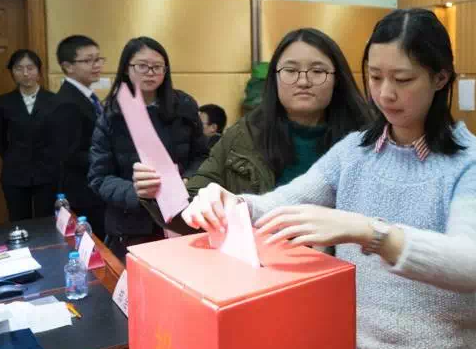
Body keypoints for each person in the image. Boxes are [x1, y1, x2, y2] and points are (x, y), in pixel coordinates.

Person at [182, 9, 476, 349]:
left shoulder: (470, 160)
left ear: (440, 78)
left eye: (403, 79)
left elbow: (471, 264)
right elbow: (282, 203)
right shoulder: (354, 151)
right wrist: (232, 203)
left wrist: (370, 232)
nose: (385, 94)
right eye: (375, 77)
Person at [134, 29, 370, 237]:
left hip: (346, 268)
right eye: (290, 70)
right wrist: (160, 193)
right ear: (274, 78)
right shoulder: (243, 135)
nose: (303, 81)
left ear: (337, 79)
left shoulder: (367, 140)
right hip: (260, 266)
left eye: (317, 71)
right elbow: (192, 208)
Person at [88, 37, 209, 260]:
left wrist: (189, 180)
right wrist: (135, 191)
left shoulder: (184, 106)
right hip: (131, 226)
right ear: (127, 69)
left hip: (183, 216)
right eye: (142, 66)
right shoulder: (112, 114)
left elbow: (203, 156)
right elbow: (99, 178)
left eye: (157, 67)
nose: (150, 73)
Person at [0, 49, 60, 221]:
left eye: (30, 68)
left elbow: (60, 139)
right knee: (19, 221)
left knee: (46, 222)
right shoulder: (4, 102)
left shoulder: (54, 101)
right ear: (12, 72)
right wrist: (15, 157)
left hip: (48, 173)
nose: (25, 73)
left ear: (39, 71)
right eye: (19, 68)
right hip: (15, 173)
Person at [52, 35, 108, 239]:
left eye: (98, 59)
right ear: (68, 66)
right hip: (83, 190)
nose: (96, 65)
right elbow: (71, 154)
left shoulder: (87, 97)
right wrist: (109, 159)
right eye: (88, 60)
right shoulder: (67, 102)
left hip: (93, 186)